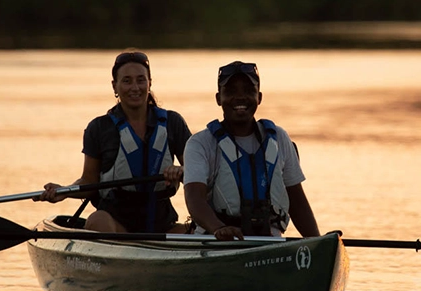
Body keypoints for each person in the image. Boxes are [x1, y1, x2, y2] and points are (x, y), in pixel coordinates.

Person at [35, 50, 191, 234]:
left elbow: (198, 171)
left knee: (198, 228)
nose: (135, 87)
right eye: (126, 81)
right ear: (114, 86)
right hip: (116, 223)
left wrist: (182, 171)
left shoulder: (173, 122)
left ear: (149, 83)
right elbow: (89, 181)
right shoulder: (99, 128)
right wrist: (64, 192)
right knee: (97, 220)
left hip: (162, 224)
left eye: (141, 80)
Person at [183, 61, 320, 241]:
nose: (240, 98)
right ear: (218, 98)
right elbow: (195, 200)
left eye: (249, 91)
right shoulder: (200, 143)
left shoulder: (279, 137)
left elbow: (297, 202)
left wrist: (318, 243)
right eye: (231, 91)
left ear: (259, 97)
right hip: (218, 242)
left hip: (270, 241)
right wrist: (219, 228)